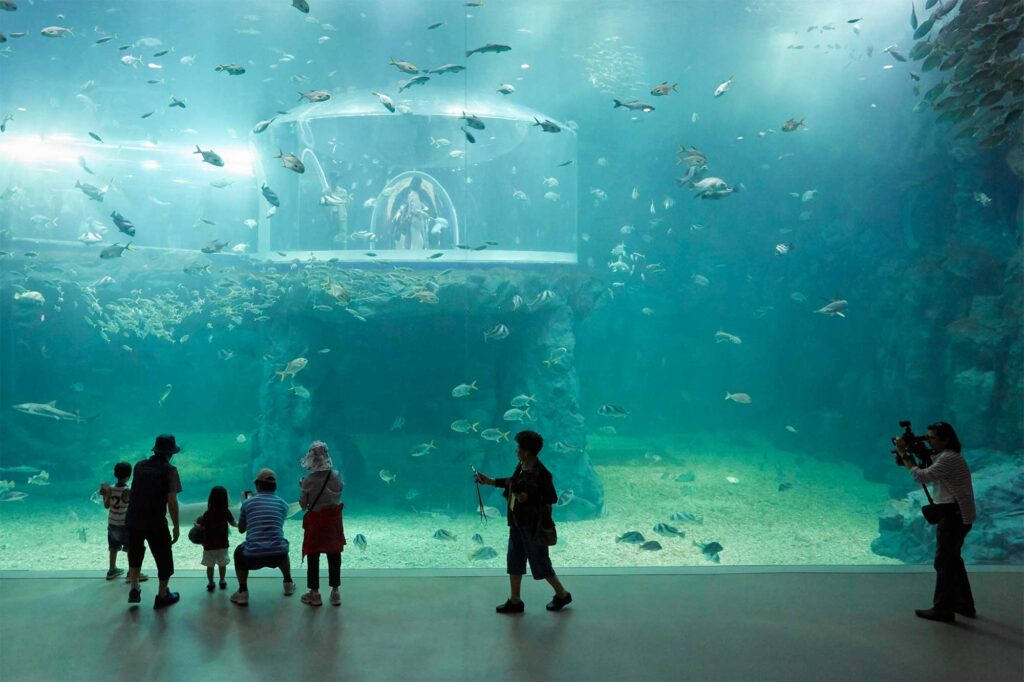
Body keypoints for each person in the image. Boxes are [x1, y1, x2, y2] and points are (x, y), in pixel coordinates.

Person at [474, 430, 573, 614]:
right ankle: (515, 600)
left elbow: (551, 497)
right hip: (517, 522)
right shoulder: (522, 465)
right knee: (514, 559)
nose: (516, 450)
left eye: (519, 447)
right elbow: (513, 482)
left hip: (533, 526)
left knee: (540, 562)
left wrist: (528, 497)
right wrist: (490, 481)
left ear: (527, 451)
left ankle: (562, 594)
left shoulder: (542, 473)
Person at [896, 421, 977, 622]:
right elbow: (931, 464)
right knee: (953, 561)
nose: (929, 441)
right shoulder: (948, 456)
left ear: (946, 439)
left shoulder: (948, 458)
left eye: (932, 437)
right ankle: (964, 604)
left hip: (954, 515)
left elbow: (922, 476)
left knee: (944, 562)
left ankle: (943, 609)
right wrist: (916, 451)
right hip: (957, 514)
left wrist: (905, 454)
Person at [124, 434, 182, 609]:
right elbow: (172, 501)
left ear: (155, 450)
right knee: (164, 556)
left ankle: (134, 588)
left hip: (133, 518)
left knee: (135, 552)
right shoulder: (170, 471)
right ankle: (162, 595)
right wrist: (176, 526)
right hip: (155, 520)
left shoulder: (139, 466)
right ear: (170, 453)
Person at [230, 469, 295, 606]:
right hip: (277, 556)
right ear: (275, 486)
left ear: (258, 485)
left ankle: (243, 592)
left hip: (252, 557)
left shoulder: (247, 503)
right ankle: (288, 583)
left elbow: (241, 530)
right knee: (281, 544)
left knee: (238, 552)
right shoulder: (283, 504)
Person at [298, 441, 345, 607]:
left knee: (313, 555)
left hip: (316, 522)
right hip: (333, 521)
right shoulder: (336, 476)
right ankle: (335, 592)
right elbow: (338, 494)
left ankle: (315, 593)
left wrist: (303, 488)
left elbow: (303, 505)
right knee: (334, 554)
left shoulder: (309, 480)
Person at [99, 462, 143, 582]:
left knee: (113, 547)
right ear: (129, 476)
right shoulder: (127, 491)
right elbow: (133, 505)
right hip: (124, 525)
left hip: (112, 523)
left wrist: (104, 494)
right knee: (130, 548)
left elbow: (106, 505)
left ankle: (112, 569)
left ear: (115, 474)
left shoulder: (110, 488)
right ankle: (131, 572)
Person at [195, 485, 236, 592]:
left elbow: (202, 527)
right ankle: (222, 580)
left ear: (211, 498)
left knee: (210, 565)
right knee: (222, 564)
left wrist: (195, 525)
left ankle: (211, 582)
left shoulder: (207, 513)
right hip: (223, 544)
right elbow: (233, 523)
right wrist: (241, 525)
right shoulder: (226, 511)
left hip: (209, 545)